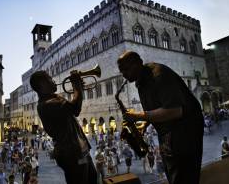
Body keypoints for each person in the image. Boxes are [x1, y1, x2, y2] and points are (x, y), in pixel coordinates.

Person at [117, 51, 204, 184]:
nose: (123, 74)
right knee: (173, 173)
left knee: (184, 174)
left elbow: (175, 111)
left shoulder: (159, 75)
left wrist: (138, 116)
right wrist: (145, 125)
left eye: (126, 69)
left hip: (185, 131)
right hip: (168, 132)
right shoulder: (141, 81)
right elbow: (154, 107)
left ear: (138, 64)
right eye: (121, 71)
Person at [30, 70, 97, 184]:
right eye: (50, 78)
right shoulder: (47, 104)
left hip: (80, 150)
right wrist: (77, 85)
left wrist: (77, 87)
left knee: (92, 178)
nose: (53, 80)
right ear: (43, 84)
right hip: (72, 154)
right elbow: (75, 108)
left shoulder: (53, 98)